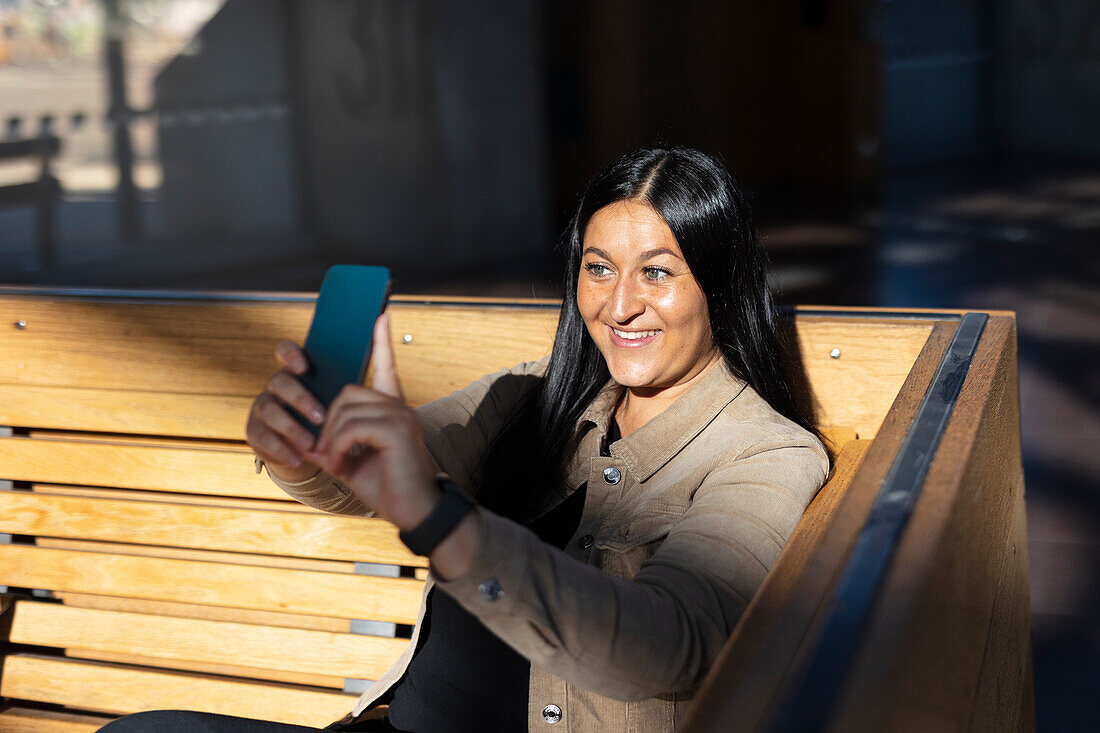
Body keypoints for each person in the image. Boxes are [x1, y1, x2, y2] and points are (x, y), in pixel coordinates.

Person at [100, 146, 829, 732]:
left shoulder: (765, 455)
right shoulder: (536, 395)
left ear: (721, 285)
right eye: (598, 267)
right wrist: (304, 446)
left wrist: (442, 522)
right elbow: (385, 465)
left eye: (658, 273)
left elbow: (668, 645)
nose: (620, 304)